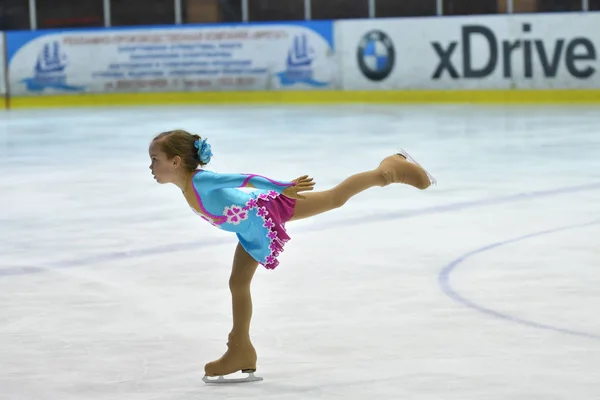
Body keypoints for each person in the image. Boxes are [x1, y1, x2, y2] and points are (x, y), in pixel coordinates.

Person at [148, 129, 436, 383]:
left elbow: (244, 179)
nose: (151, 166)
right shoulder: (187, 187)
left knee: (334, 198)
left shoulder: (200, 181)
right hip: (250, 232)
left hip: (267, 212)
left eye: (155, 159)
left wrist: (280, 188)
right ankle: (240, 350)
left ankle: (389, 170)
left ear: (175, 161)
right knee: (238, 284)